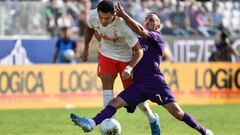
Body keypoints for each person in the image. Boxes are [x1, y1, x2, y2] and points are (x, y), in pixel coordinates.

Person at [70, 3, 214, 135]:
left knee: (177, 113)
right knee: (115, 103)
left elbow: (140, 30)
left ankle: (204, 131)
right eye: (147, 19)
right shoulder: (133, 40)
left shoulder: (156, 38)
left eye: (152, 20)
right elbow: (110, 37)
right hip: (138, 84)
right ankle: (91, 123)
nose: (148, 21)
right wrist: (101, 32)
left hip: (155, 83)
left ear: (158, 26)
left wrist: (124, 16)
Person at [79, 0, 160, 134]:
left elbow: (139, 51)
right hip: (106, 54)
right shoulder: (93, 16)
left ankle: (152, 118)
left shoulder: (124, 27)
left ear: (114, 14)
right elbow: (89, 28)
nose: (103, 21)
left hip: (126, 57)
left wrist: (129, 68)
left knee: (134, 98)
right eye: (101, 17)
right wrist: (86, 47)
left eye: (107, 18)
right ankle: (109, 125)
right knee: (106, 87)